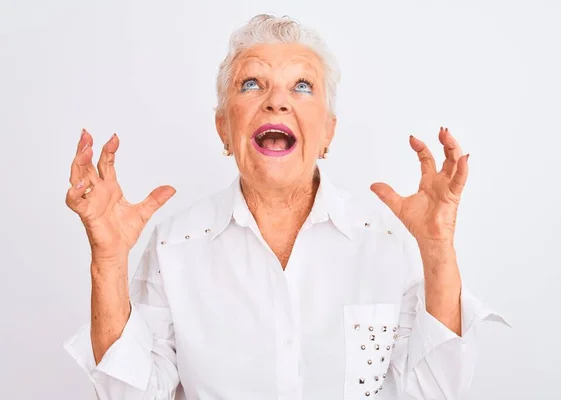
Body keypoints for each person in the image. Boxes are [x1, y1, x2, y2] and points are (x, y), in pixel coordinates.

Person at [63, 13, 507, 400]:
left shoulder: (387, 238)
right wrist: (107, 261)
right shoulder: (173, 246)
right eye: (252, 84)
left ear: (328, 132)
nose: (277, 101)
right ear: (223, 128)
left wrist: (437, 250)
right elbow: (131, 395)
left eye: (302, 86)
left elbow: (436, 388)